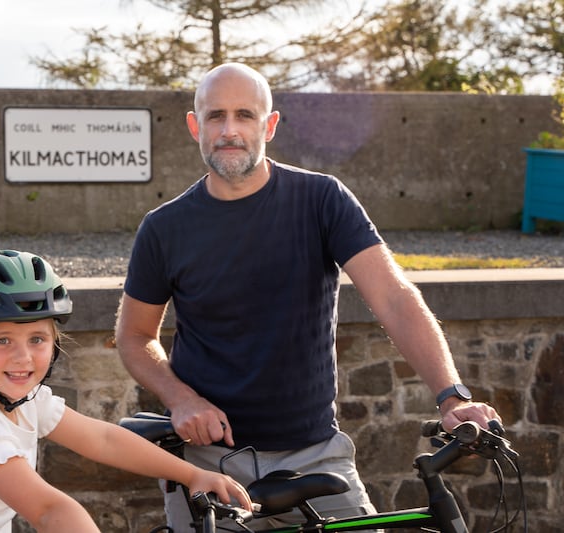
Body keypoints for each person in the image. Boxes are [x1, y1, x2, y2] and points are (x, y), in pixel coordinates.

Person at [114, 62, 502, 530]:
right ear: (195, 125)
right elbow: (135, 336)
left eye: (245, 115)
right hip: (206, 466)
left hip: (317, 457)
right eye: (216, 116)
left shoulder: (322, 200)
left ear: (270, 125)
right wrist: (180, 399)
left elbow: (394, 298)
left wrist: (451, 397)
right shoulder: (164, 227)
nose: (230, 130)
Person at [0, 249, 251, 533]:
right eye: (2, 340)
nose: (23, 358)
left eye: (37, 339)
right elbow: (49, 511)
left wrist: (191, 475)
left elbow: (104, 440)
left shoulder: (27, 399)